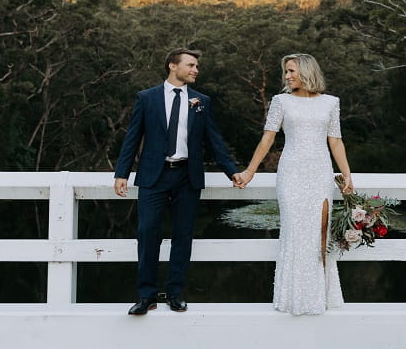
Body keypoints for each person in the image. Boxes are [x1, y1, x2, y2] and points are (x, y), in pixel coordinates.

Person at [114, 48, 245, 316]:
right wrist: (121, 173)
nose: (196, 70)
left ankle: (175, 294)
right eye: (191, 65)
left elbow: (214, 140)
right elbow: (132, 138)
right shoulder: (147, 98)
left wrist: (232, 171)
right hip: (154, 175)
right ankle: (146, 296)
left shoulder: (201, 101)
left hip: (187, 176)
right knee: (148, 234)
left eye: (197, 66)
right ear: (173, 66)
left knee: (183, 237)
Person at [235, 53, 353, 315]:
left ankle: (319, 297)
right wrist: (250, 171)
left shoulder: (331, 103)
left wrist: (346, 174)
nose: (287, 76)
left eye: (291, 71)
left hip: (320, 173)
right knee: (294, 231)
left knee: (318, 234)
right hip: (291, 174)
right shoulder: (281, 101)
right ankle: (291, 297)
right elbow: (267, 140)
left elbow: (335, 140)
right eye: (285, 72)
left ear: (306, 72)